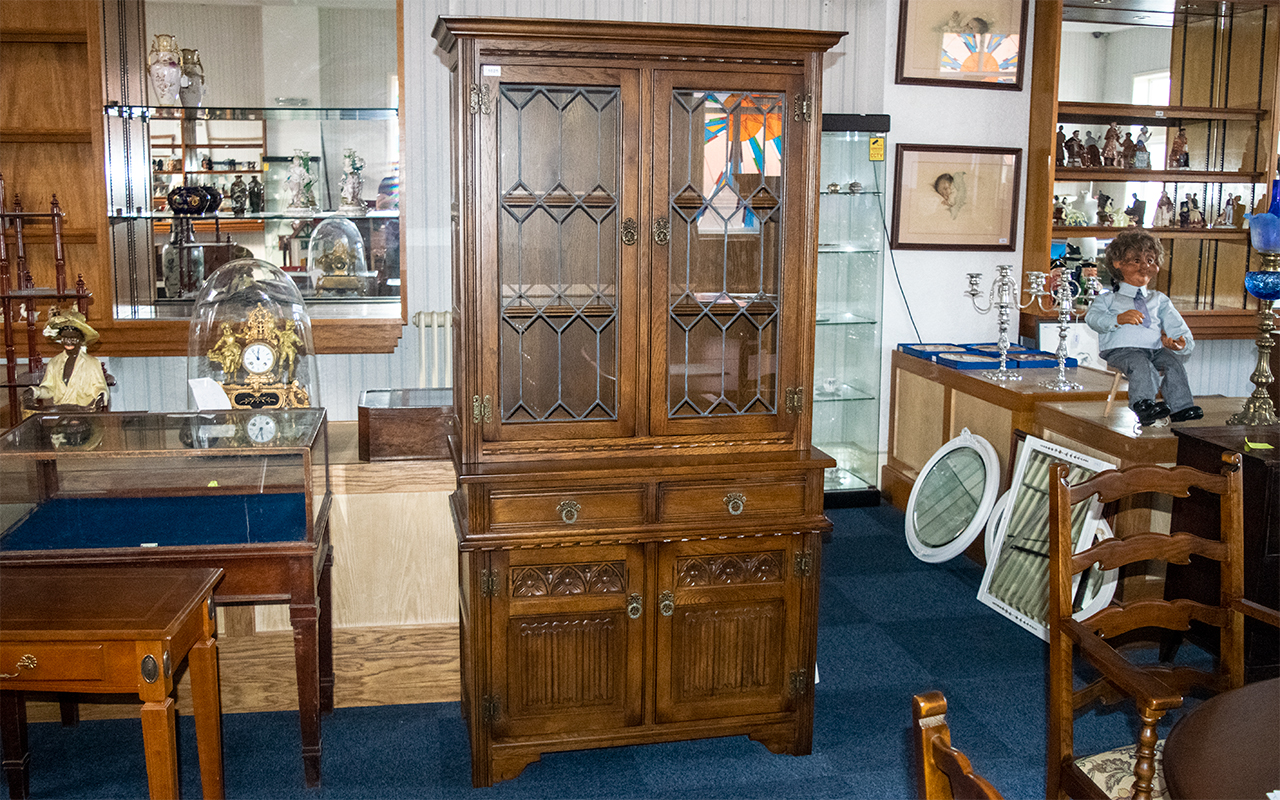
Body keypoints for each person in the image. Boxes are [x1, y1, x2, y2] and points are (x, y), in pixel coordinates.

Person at [1085, 228, 1202, 426]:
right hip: (1121, 350)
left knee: (1173, 363)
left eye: (1150, 261)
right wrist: (1118, 319)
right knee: (1140, 364)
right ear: (1118, 264)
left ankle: (1181, 407)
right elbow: (1093, 318)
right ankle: (1143, 404)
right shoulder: (1108, 299)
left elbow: (1177, 326)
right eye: (1136, 261)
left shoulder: (1159, 300)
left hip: (1154, 350)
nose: (1144, 267)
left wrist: (1181, 343)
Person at [28, 309, 109, 410]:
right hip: (61, 413)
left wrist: (101, 397)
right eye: (65, 338)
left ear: (81, 340)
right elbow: (49, 389)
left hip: (85, 414)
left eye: (73, 338)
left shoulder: (92, 363)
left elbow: (100, 388)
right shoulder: (54, 363)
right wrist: (34, 392)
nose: (68, 342)